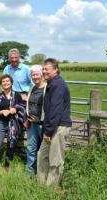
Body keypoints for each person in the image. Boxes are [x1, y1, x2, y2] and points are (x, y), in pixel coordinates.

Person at [37, 58, 72, 186]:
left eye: (47, 69)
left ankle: (50, 191)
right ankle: (41, 185)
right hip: (52, 127)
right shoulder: (52, 84)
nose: (44, 71)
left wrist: (48, 131)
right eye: (43, 69)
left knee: (55, 160)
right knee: (42, 155)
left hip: (59, 126)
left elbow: (55, 110)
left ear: (55, 69)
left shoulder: (58, 85)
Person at [0, 75, 26, 170]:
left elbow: (22, 107)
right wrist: (2, 112)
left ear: (11, 82)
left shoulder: (17, 95)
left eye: (7, 81)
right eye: (3, 81)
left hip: (13, 122)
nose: (5, 83)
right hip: (1, 122)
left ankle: (7, 164)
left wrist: (15, 109)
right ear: (1, 84)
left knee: (11, 143)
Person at [24, 65, 47, 174]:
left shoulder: (47, 88)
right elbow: (28, 105)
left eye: (37, 74)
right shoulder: (32, 88)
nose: (35, 77)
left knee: (43, 149)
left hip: (43, 123)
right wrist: (26, 119)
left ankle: (42, 172)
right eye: (33, 75)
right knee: (31, 148)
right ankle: (29, 172)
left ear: (42, 75)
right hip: (32, 123)